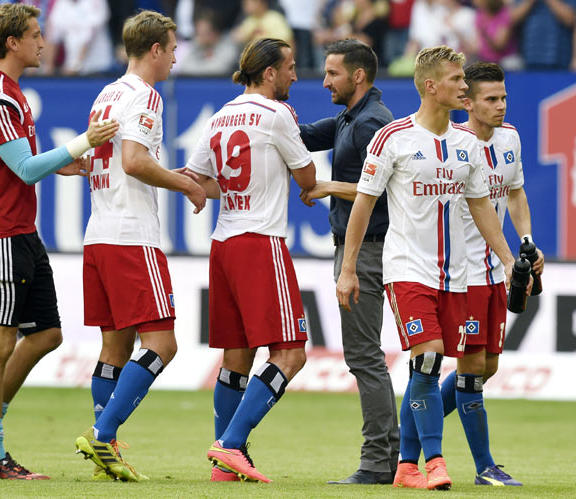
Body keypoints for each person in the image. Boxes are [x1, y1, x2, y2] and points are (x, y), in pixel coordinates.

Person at [336, 45, 519, 490]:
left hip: (455, 276)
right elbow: (364, 203)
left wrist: (509, 260)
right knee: (428, 358)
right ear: (431, 86)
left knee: (439, 365)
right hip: (406, 270)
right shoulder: (394, 138)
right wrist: (349, 267)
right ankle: (433, 463)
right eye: (457, 80)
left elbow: (482, 208)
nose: (464, 86)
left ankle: (404, 468)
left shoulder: (467, 145)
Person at [0, 2, 118, 480]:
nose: (43, 42)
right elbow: (24, 168)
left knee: (46, 334)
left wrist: (66, 163)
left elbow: (21, 162)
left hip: (20, 230)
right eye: (35, 34)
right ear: (13, 42)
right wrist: (83, 142)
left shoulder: (10, 90)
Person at [73, 10, 206, 482]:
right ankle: (103, 434)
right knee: (162, 344)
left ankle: (101, 449)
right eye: (171, 49)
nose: (174, 57)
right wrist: (184, 185)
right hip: (132, 236)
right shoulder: (146, 96)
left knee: (114, 347)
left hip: (99, 234)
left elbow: (88, 160)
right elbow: (133, 161)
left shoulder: (106, 94)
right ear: (154, 50)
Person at [184, 37, 316, 483]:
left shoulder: (219, 116)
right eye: (290, 68)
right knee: (291, 353)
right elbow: (308, 177)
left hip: (224, 242)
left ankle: (225, 469)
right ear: (269, 74)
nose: (295, 76)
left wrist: (241, 188)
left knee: (235, 358)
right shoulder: (278, 114)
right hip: (261, 242)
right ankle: (229, 445)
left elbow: (196, 179)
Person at [298, 38, 400, 485]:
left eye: (332, 73)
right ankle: (399, 456)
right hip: (366, 247)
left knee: (364, 357)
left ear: (358, 76)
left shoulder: (370, 123)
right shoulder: (352, 117)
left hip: (368, 250)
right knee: (370, 357)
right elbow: (299, 137)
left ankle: (380, 463)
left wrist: (326, 186)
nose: (324, 82)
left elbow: (375, 186)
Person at [438, 61, 544, 486]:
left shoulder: (510, 138)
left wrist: (527, 240)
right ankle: (483, 467)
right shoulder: (453, 144)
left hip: (495, 270)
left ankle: (407, 428)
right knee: (470, 366)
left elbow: (515, 193)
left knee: (489, 366)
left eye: (503, 97)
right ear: (468, 102)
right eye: (491, 99)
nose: (500, 106)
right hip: (461, 272)